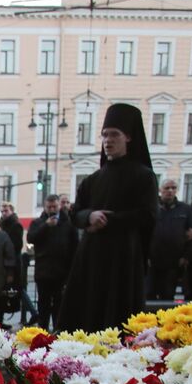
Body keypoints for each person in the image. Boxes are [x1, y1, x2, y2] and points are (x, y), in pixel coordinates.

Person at [56, 103, 157, 332]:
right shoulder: (93, 179)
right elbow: (75, 212)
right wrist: (89, 216)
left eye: (114, 135)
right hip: (91, 257)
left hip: (124, 257)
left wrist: (111, 220)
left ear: (129, 138)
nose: (108, 141)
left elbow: (148, 214)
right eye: (104, 135)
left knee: (118, 314)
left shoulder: (144, 177)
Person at [27, 195, 76, 330]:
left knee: (59, 307)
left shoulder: (67, 223)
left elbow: (74, 247)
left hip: (62, 272)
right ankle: (43, 334)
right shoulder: (38, 222)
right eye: (49, 207)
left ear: (59, 206)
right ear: (45, 207)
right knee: (43, 306)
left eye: (54, 206)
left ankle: (58, 332)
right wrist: (46, 226)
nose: (52, 209)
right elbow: (31, 238)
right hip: (44, 272)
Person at [149, 179, 189, 299]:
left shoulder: (185, 209)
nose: (170, 191)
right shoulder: (152, 207)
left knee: (167, 294)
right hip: (152, 260)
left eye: (173, 188)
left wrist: (186, 256)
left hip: (173, 261)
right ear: (160, 190)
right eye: (167, 188)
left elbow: (191, 234)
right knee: (148, 293)